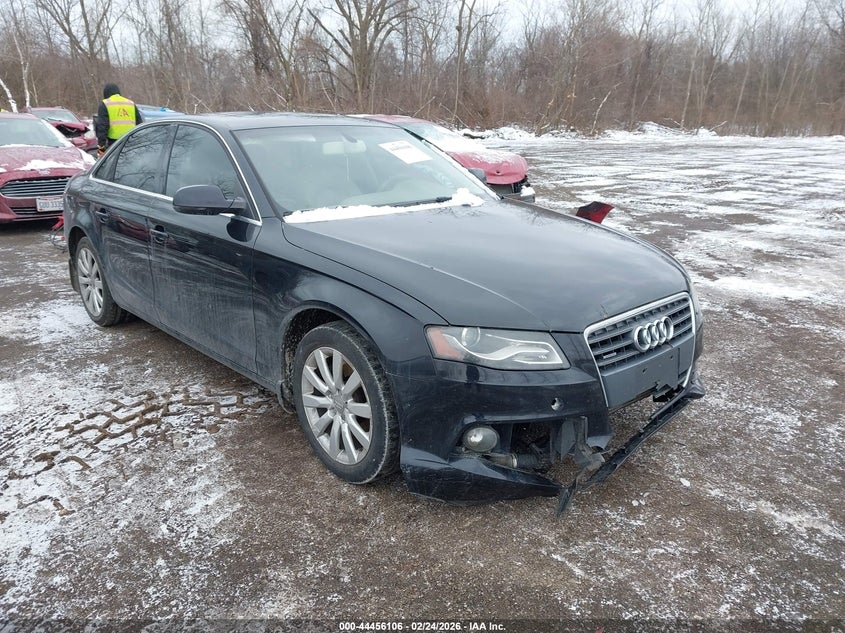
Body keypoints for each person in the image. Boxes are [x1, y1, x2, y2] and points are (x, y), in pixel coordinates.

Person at [95, 83, 142, 156]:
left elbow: (102, 127)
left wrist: (101, 147)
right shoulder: (130, 103)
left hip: (114, 144)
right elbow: (139, 124)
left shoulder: (105, 104)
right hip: (131, 142)